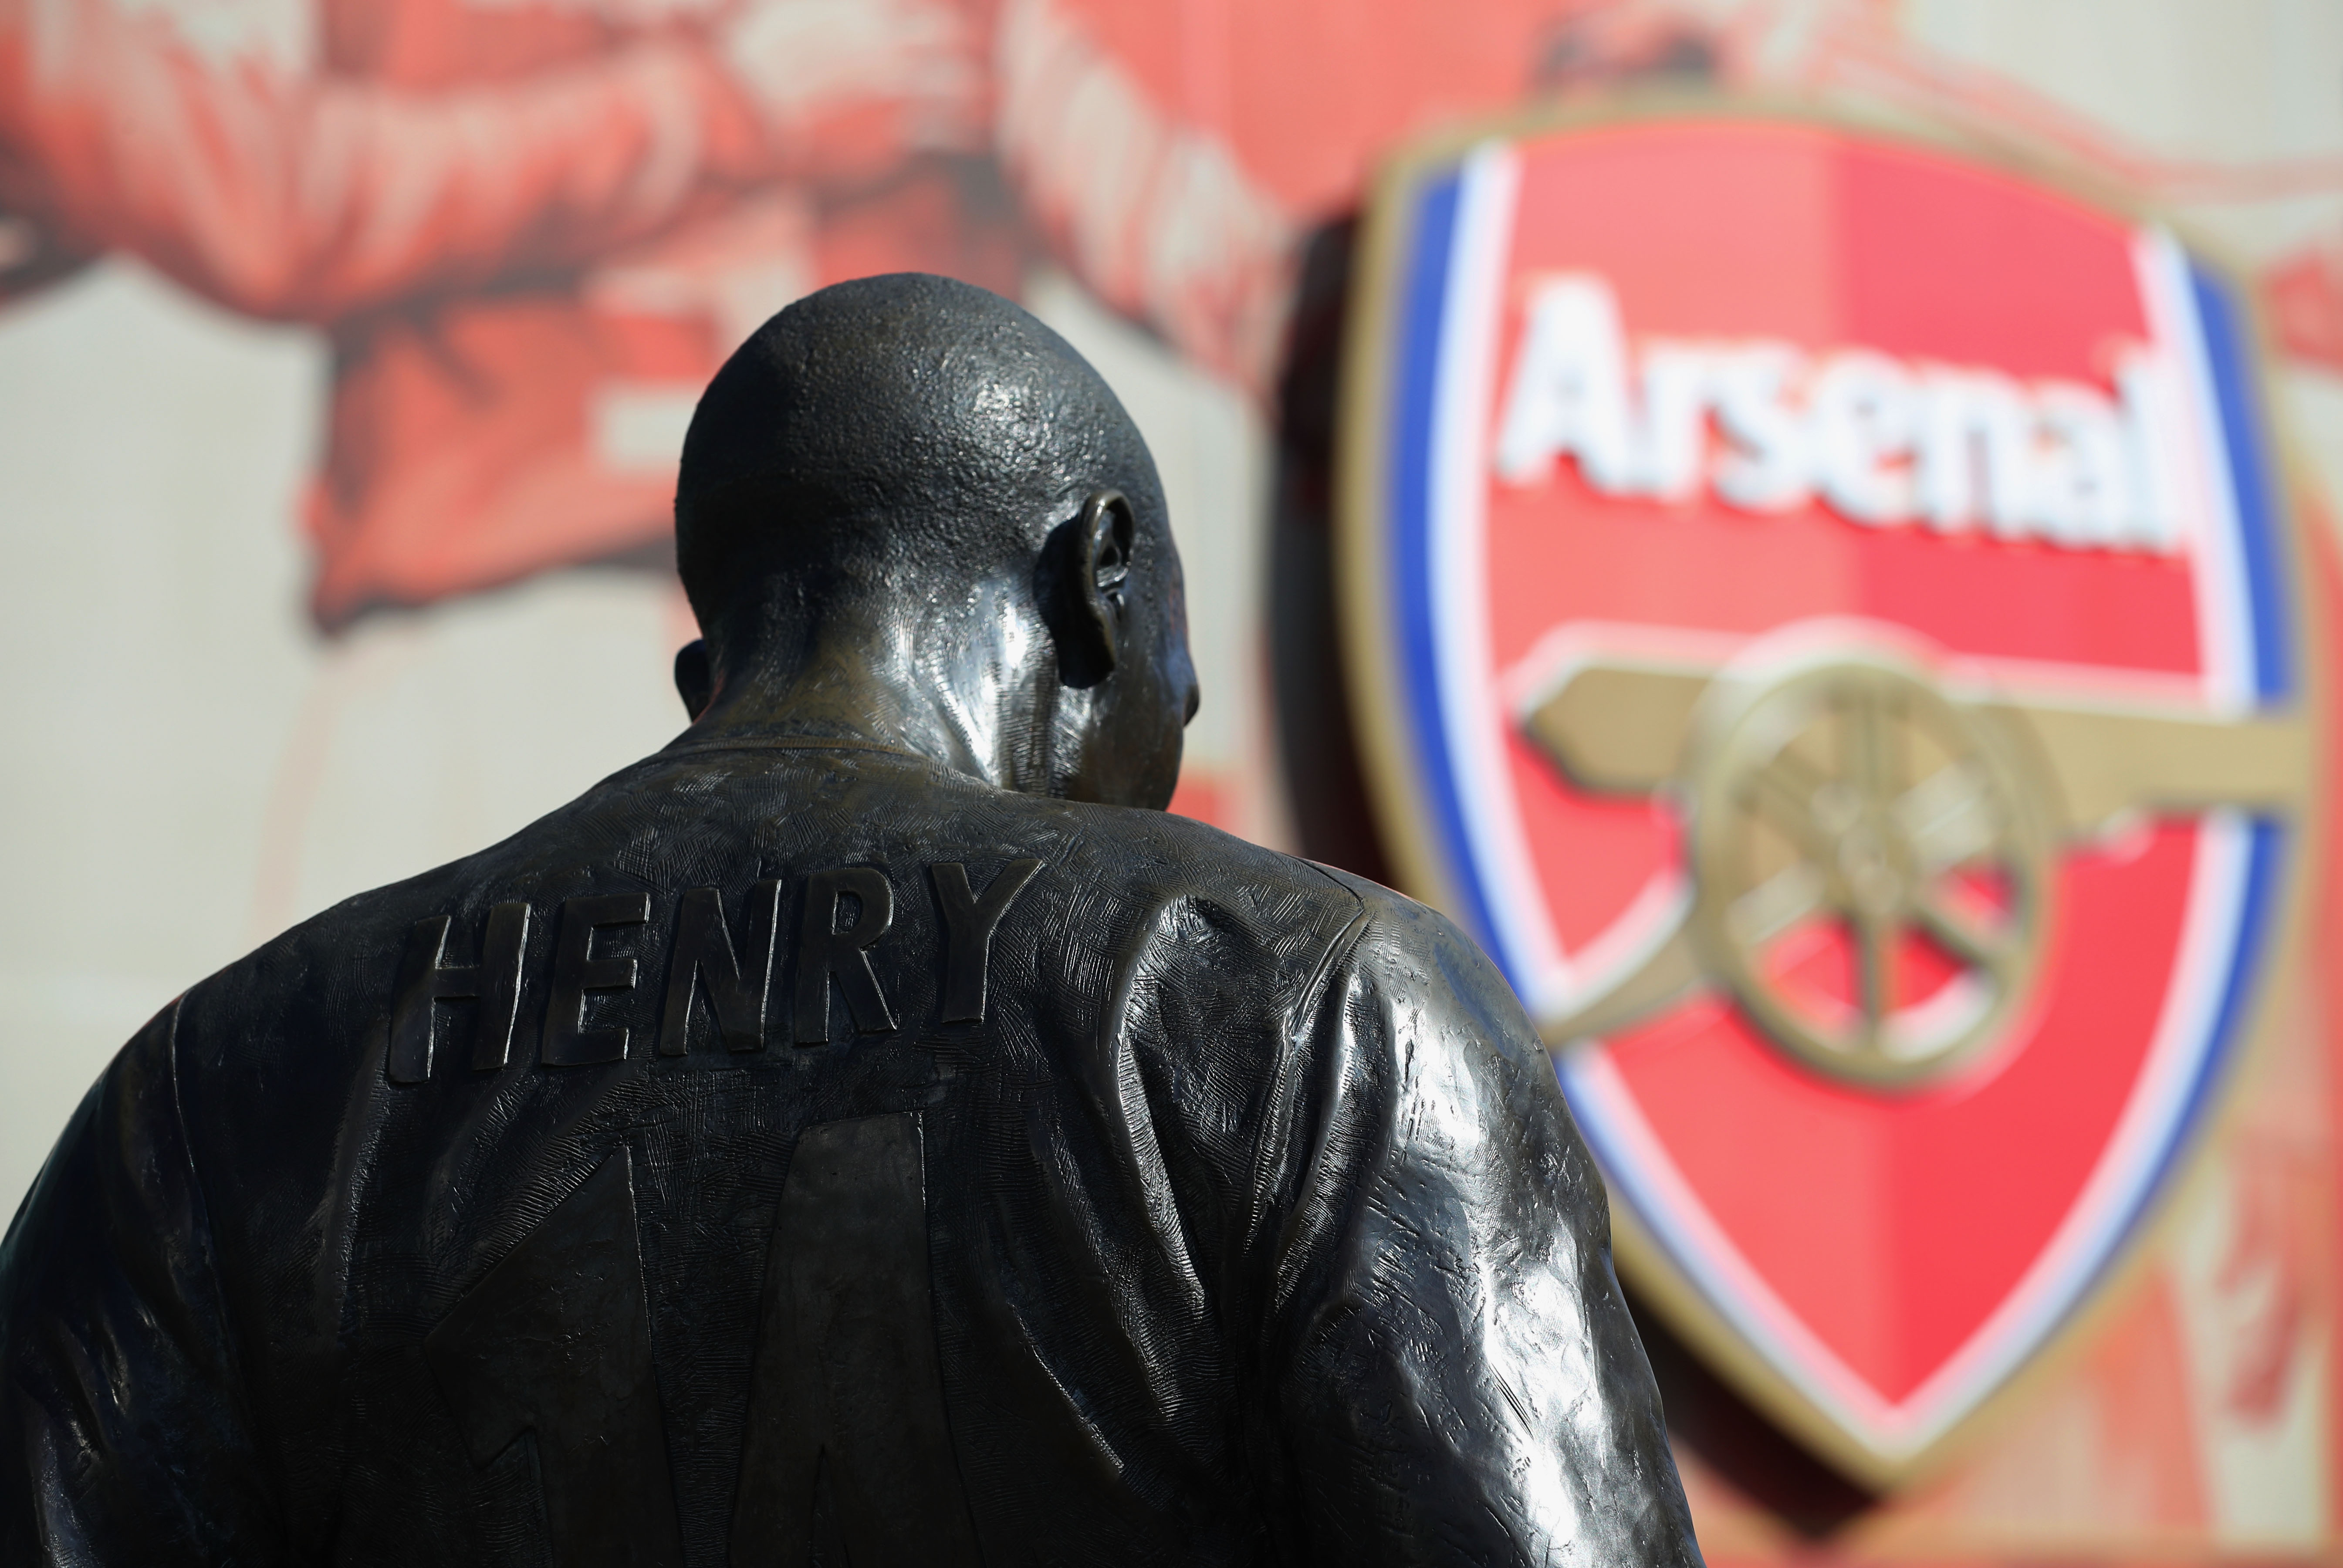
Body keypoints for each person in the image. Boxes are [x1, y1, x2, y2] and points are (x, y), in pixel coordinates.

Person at [0, 274, 1702, 1566]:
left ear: (705, 667)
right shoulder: (1317, 1009)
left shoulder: (222, 1088)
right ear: (1099, 587)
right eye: (1172, 684)